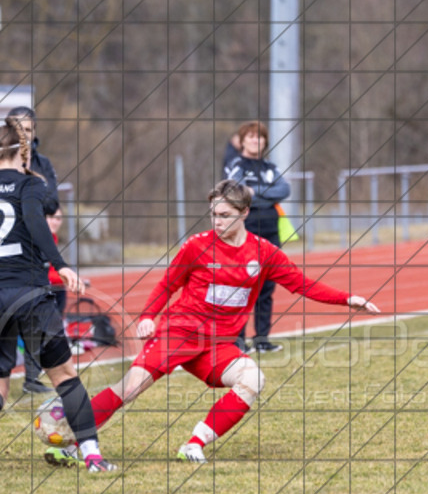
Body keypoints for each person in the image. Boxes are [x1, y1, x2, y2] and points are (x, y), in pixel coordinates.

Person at [88, 180, 380, 464]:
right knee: (129, 388)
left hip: (216, 345)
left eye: (225, 215)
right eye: (214, 215)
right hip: (179, 332)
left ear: (244, 213)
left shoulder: (264, 252)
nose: (217, 221)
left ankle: (194, 444)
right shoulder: (197, 246)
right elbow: (167, 285)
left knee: (253, 379)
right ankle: (73, 435)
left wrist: (348, 298)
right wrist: (148, 317)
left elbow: (303, 284)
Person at [0, 115, 114, 471]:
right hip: (29, 293)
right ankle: (92, 455)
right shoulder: (31, 185)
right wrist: (60, 263)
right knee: (65, 378)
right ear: (24, 156)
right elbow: (37, 224)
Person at [222, 120, 291, 353]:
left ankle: (262, 339)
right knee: (242, 285)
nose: (255, 140)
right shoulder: (236, 164)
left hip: (271, 230)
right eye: (251, 136)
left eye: (259, 137)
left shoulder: (270, 167)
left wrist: (256, 192)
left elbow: (284, 190)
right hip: (247, 229)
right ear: (242, 140)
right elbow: (238, 191)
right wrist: (265, 194)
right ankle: (238, 341)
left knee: (266, 286)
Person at [22, 205, 89, 394]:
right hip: (30, 291)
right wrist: (67, 277)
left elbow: (50, 270)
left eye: (58, 218)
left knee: (46, 333)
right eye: (50, 217)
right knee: (35, 333)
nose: (55, 222)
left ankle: (36, 377)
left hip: (49, 290)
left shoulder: (52, 238)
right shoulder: (36, 237)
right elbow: (41, 272)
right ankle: (31, 379)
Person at [0, 106, 59, 215]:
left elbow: (51, 206)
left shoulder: (44, 163)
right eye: (17, 129)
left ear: (34, 132)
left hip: (33, 228)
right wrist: (35, 184)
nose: (22, 135)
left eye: (27, 130)